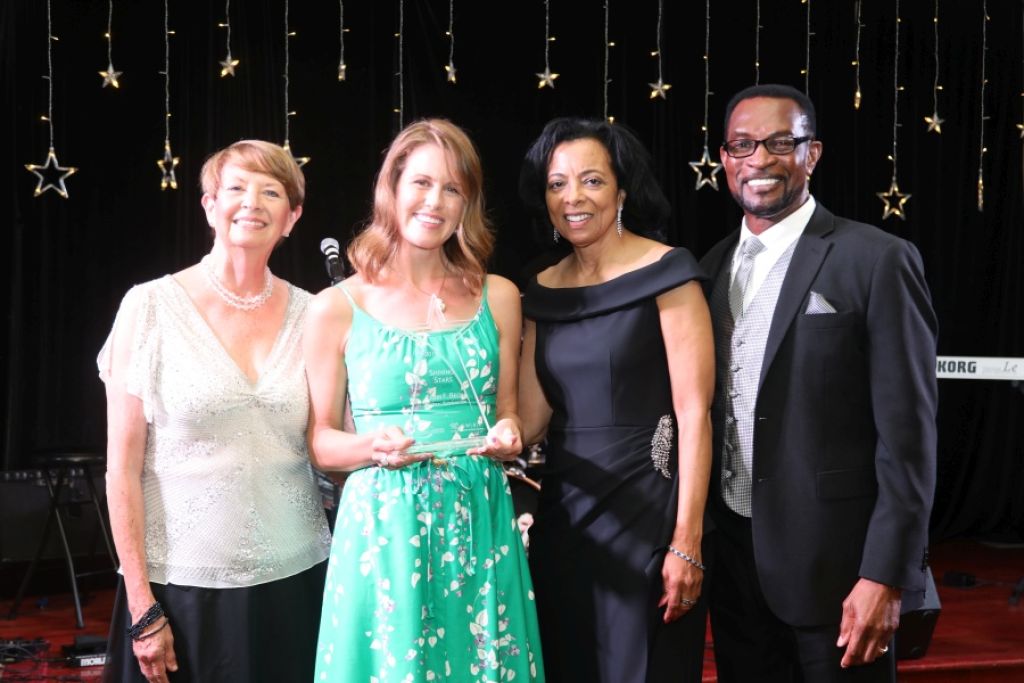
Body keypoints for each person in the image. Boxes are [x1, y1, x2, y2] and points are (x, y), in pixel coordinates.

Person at [700, 83, 938, 682]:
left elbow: (908, 438)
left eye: (781, 142)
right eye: (742, 145)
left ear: (813, 153)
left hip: (839, 574)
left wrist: (885, 574)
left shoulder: (877, 259)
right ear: (725, 159)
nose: (759, 159)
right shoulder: (707, 269)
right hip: (735, 572)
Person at [306, 119, 544, 681]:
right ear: (391, 189)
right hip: (384, 531)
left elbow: (509, 411)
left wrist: (509, 431)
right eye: (421, 182)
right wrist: (372, 446)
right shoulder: (335, 307)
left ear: (468, 204)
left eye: (452, 188)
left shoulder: (500, 296)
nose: (434, 201)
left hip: (479, 518)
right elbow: (321, 443)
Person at [98, 140, 332, 682]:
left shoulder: (316, 313)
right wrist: (142, 606)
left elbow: (330, 444)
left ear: (292, 217)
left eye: (271, 192)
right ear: (209, 206)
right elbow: (121, 471)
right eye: (236, 188)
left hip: (297, 582)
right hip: (183, 592)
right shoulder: (149, 307)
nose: (252, 202)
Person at [518, 117, 714, 682]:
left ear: (622, 190)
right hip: (566, 515)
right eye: (557, 184)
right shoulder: (541, 289)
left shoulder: (669, 271)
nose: (573, 197)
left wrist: (687, 541)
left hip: (651, 514)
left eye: (592, 180)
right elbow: (528, 422)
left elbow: (694, 414)